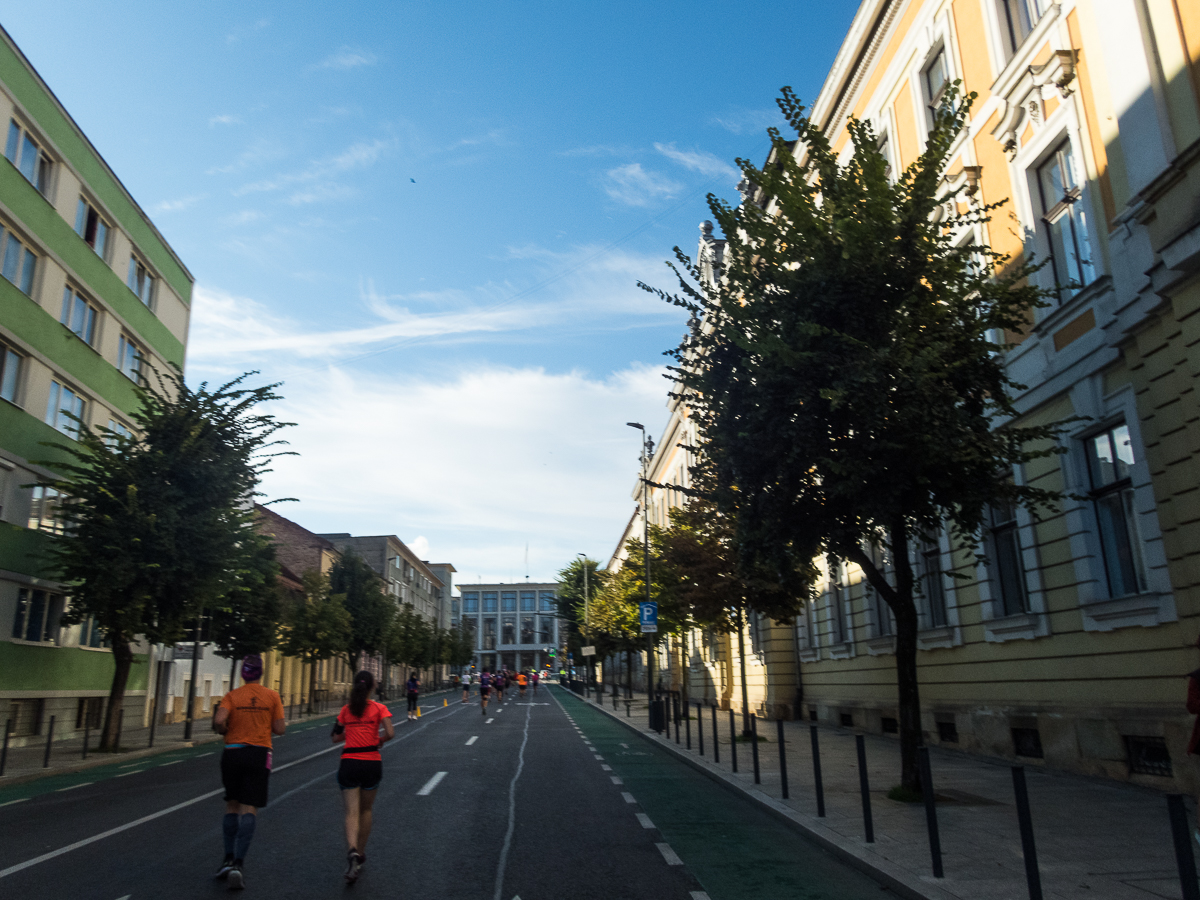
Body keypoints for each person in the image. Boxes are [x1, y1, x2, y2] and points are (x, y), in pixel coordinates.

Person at [212, 654, 285, 891]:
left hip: (232, 753)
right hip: (259, 753)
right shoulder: (272, 696)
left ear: (243, 673)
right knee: (249, 806)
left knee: (232, 803)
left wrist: (225, 729)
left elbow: (219, 720)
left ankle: (227, 858)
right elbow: (280, 729)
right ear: (261, 673)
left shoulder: (232, 696)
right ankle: (239, 864)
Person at [333, 670, 395, 884]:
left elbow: (335, 737)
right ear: (371, 687)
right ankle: (360, 853)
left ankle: (351, 850)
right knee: (366, 810)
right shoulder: (379, 708)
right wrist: (380, 739)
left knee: (351, 812)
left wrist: (349, 732)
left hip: (349, 762)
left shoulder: (346, 710)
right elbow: (390, 732)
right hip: (371, 761)